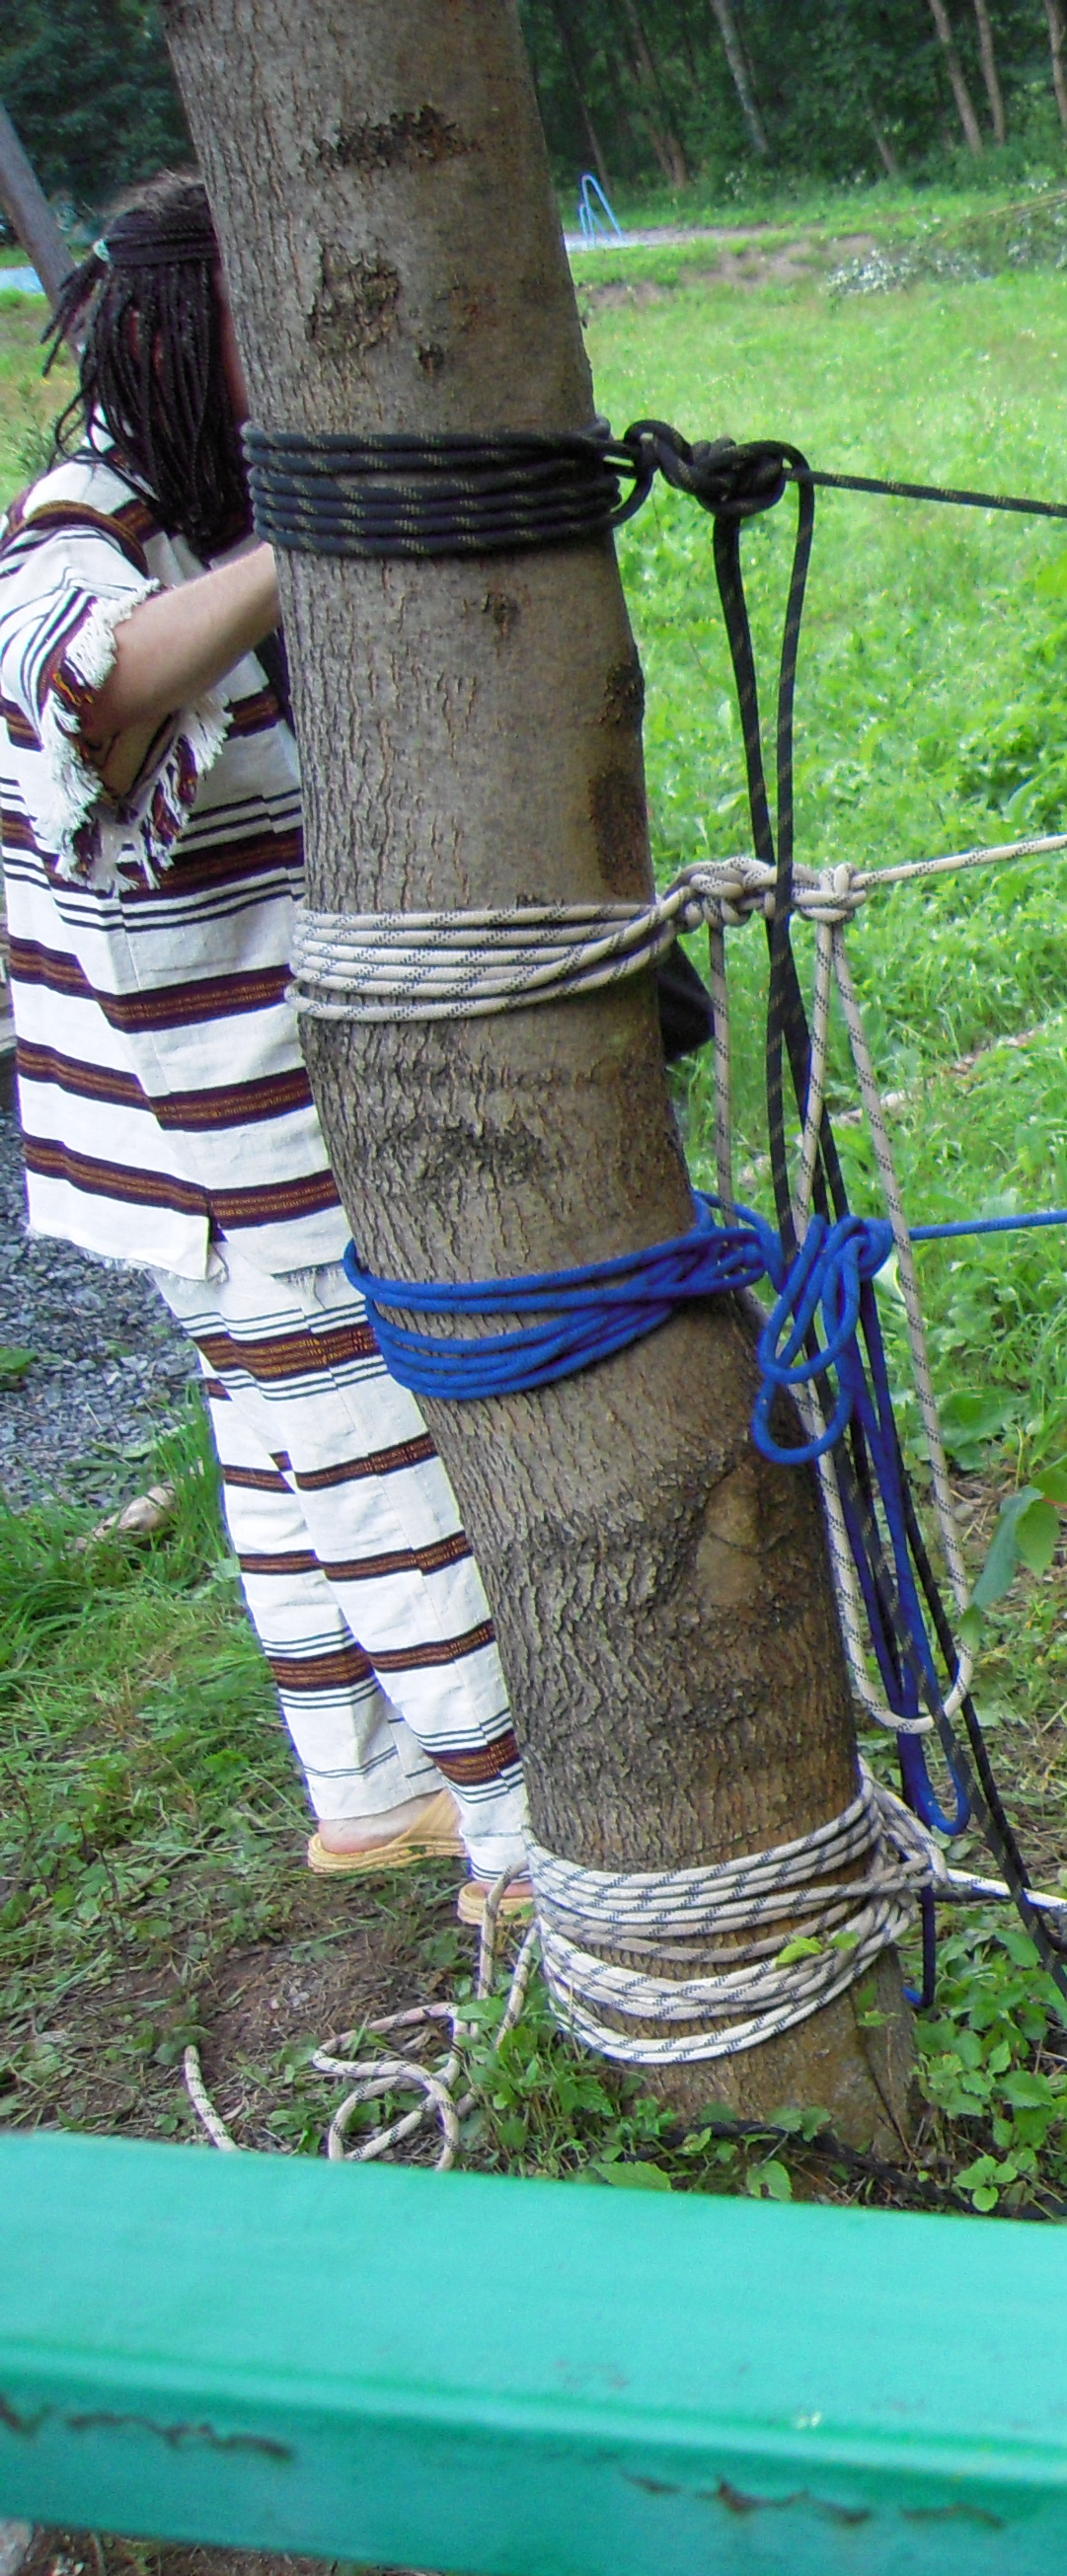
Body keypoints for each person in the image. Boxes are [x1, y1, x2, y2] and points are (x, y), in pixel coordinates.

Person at [1, 178, 530, 1904]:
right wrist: (316, 528)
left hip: (228, 1096)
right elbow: (87, 683)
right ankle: (515, 1832)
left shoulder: (204, 513)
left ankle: (365, 1789)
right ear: (169, 341)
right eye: (261, 330)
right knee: (370, 1453)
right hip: (205, 1123)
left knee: (275, 1434)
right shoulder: (73, 531)